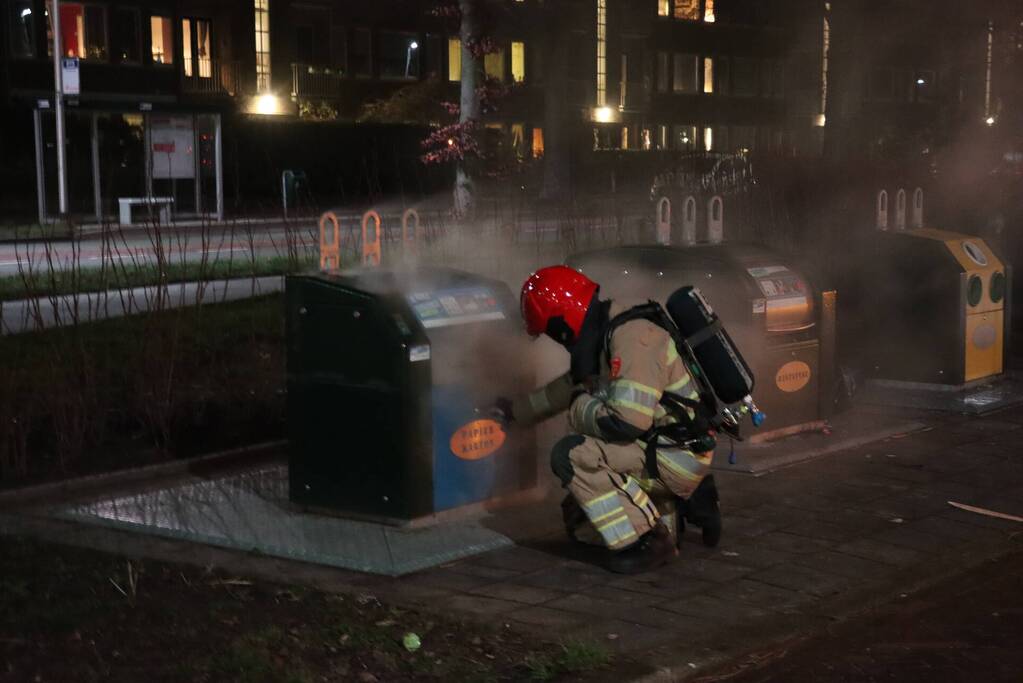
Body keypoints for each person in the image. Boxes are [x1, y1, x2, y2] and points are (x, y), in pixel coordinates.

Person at [491, 265, 721, 574]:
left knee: (572, 455)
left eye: (551, 333)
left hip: (672, 454)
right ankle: (674, 508)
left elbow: (625, 423)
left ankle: (648, 541)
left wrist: (579, 407)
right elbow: (567, 388)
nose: (557, 342)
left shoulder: (632, 338)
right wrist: (515, 413)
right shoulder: (607, 330)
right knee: (579, 521)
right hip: (668, 444)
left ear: (563, 323)